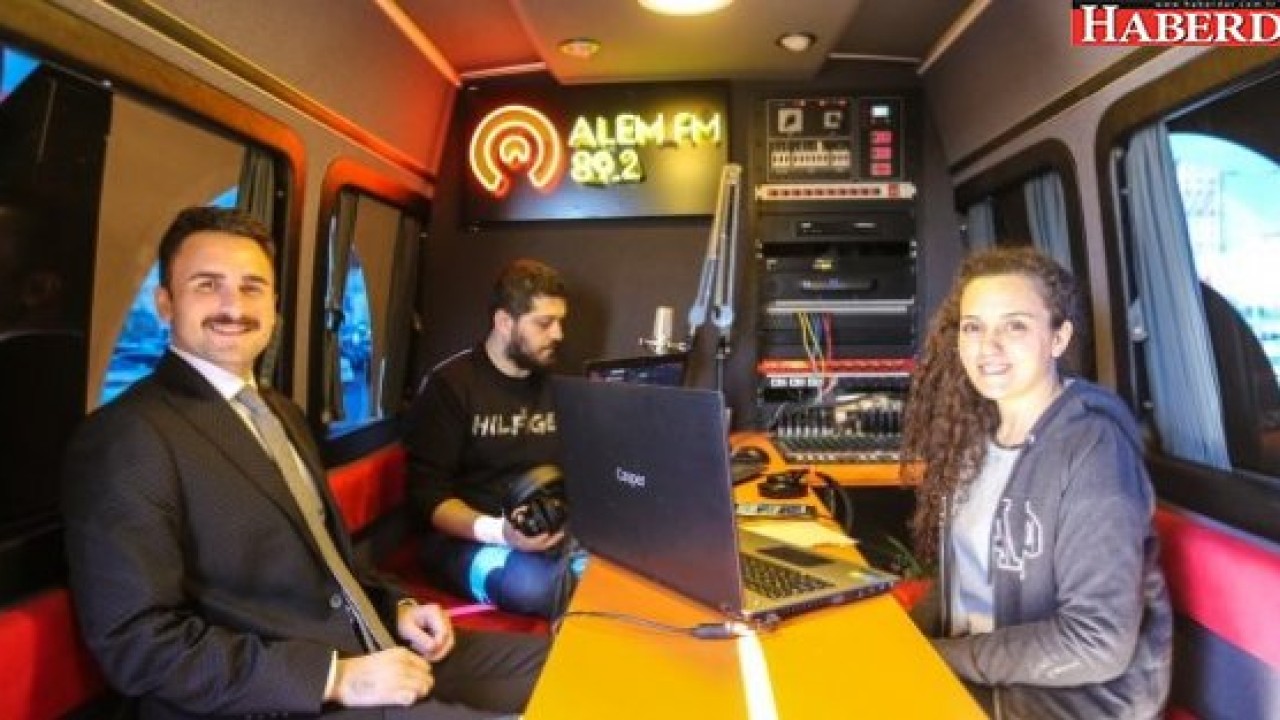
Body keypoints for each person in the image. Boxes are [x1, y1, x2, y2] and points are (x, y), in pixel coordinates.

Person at [62, 207, 547, 719]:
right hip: (281, 696)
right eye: (207, 285)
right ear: (165, 303)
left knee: (571, 667)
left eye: (252, 287)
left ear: (274, 305)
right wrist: (335, 678)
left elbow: (327, 559)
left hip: (375, 644)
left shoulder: (281, 413)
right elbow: (137, 645)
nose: (234, 306)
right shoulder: (127, 438)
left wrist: (400, 608)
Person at [899, 246, 1172, 719]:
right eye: (973, 327)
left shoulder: (1094, 450)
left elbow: (1097, 642)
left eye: (1015, 326)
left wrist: (940, 659)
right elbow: (965, 580)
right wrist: (901, 638)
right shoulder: (980, 436)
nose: (988, 346)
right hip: (985, 676)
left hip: (1070, 704)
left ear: (1059, 338)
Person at [402, 258, 583, 619]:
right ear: (504, 322)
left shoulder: (559, 383)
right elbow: (428, 499)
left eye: (560, 322)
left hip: (547, 530)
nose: (558, 334)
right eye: (545, 323)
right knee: (539, 589)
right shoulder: (449, 386)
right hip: (467, 540)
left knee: (623, 569)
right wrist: (503, 533)